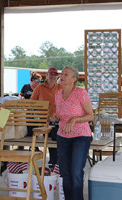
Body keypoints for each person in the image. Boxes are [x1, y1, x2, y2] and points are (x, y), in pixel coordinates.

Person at [51, 66, 93, 200]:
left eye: (66, 74)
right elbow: (59, 114)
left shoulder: (81, 93)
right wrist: (55, 117)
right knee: (65, 173)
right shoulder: (58, 94)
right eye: (62, 74)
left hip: (81, 137)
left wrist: (75, 119)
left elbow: (90, 116)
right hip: (62, 136)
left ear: (74, 79)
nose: (61, 76)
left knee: (75, 172)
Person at [31, 67, 61, 168]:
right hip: (44, 121)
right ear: (46, 75)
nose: (53, 76)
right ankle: (54, 161)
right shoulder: (39, 88)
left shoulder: (60, 87)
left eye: (55, 75)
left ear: (57, 77)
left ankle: (56, 161)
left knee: (58, 135)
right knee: (52, 136)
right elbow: (31, 103)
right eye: (51, 74)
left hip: (59, 120)